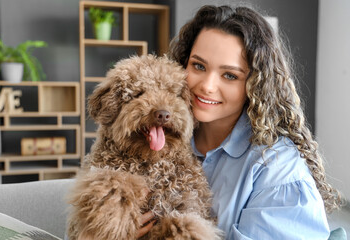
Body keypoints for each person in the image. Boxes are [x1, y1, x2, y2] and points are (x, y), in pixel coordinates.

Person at [137, 4, 343, 240]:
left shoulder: (277, 168)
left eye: (230, 75)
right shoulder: (157, 137)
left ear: (254, 84)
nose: (207, 85)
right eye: (198, 66)